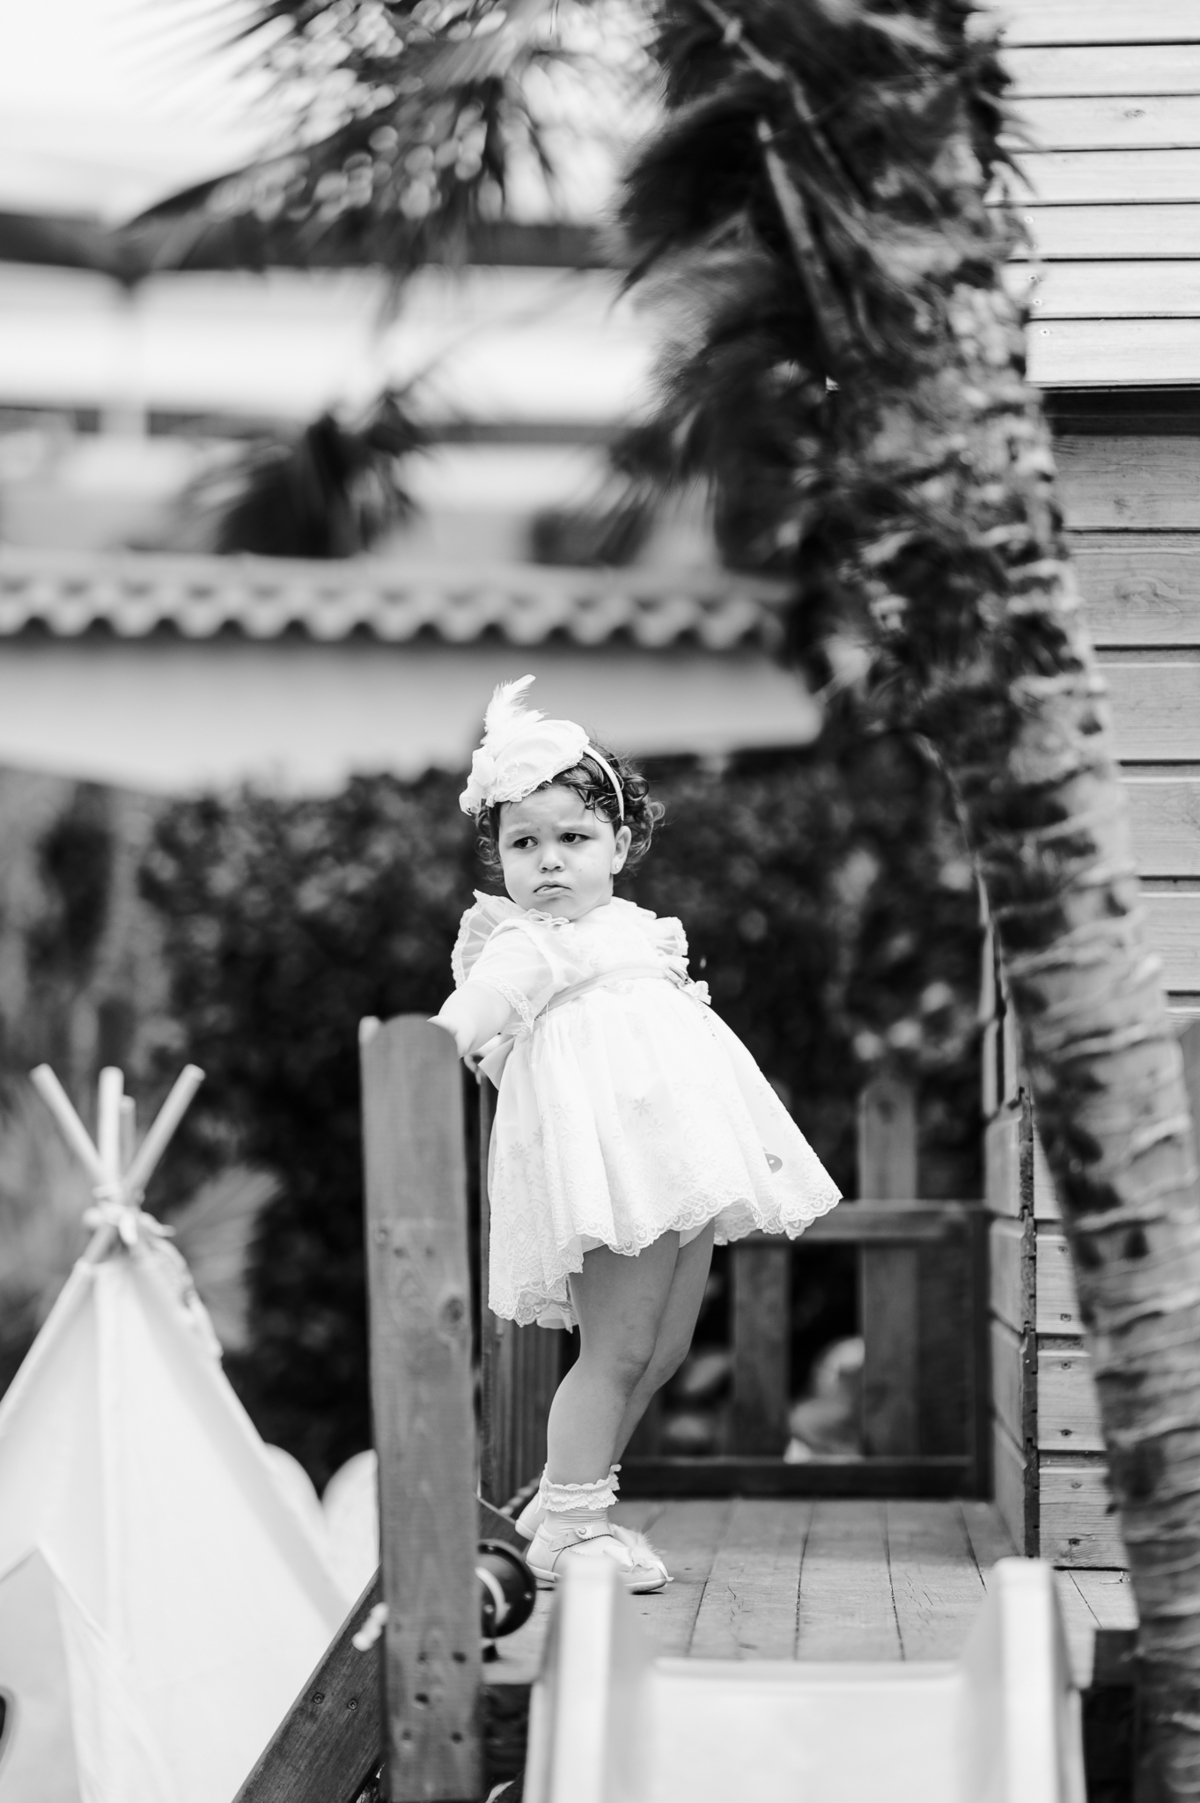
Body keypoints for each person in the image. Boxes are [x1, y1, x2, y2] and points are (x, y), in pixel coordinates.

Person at [432, 676, 840, 1592]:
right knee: (614, 1349)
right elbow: (482, 1005)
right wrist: (440, 1040)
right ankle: (574, 1530)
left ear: (619, 844)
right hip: (611, 1171)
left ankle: (561, 1503)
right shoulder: (530, 939)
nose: (548, 861)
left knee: (661, 1350)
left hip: (675, 1158)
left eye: (573, 839)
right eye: (523, 843)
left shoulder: (637, 933)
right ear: (500, 856)